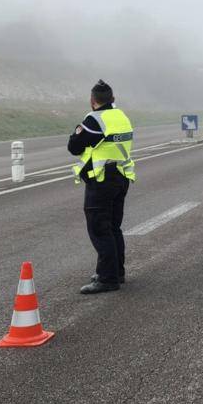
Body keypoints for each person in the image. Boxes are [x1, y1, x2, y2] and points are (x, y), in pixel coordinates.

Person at [67, 80, 136, 294]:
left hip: (102, 179)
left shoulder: (95, 120)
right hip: (121, 176)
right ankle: (117, 272)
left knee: (99, 228)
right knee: (114, 227)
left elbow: (74, 146)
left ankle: (107, 278)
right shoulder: (121, 116)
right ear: (112, 99)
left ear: (92, 100)